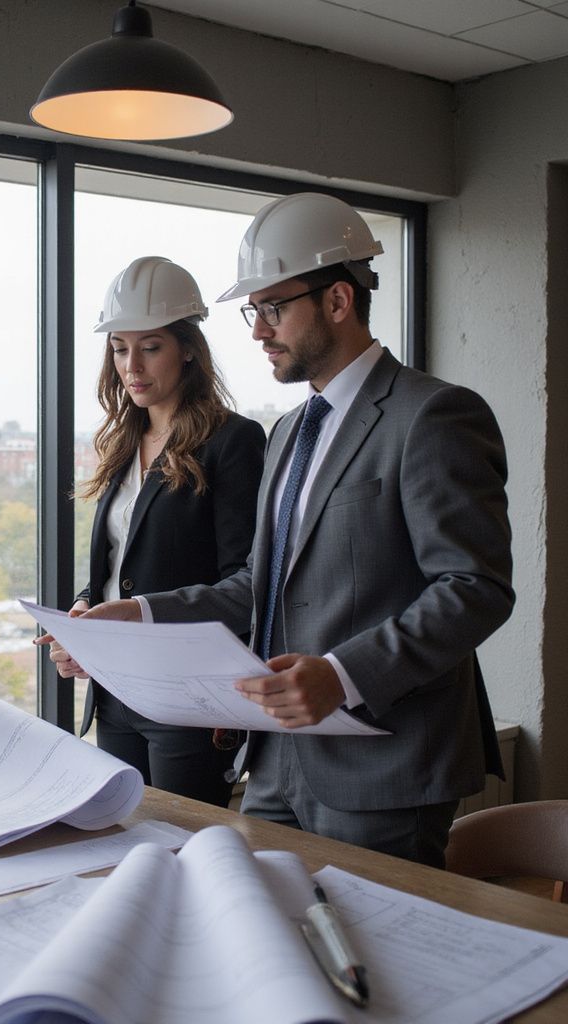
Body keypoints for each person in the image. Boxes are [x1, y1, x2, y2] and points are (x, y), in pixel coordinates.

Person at [78, 194, 514, 866]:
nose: (257, 331)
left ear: (338, 302)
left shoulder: (433, 416)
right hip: (276, 765)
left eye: (273, 308)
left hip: (384, 764)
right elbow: (261, 584)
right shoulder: (288, 433)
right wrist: (132, 615)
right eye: (254, 312)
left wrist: (342, 675)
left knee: (379, 962)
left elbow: (474, 587)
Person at [38, 256, 265, 805]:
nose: (131, 365)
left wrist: (135, 614)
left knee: (183, 852)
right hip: (116, 692)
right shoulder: (121, 444)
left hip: (188, 697)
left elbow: (249, 585)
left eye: (151, 346)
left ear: (188, 347)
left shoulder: (233, 441)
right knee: (123, 843)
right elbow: (121, 570)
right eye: (119, 348)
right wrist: (84, 618)